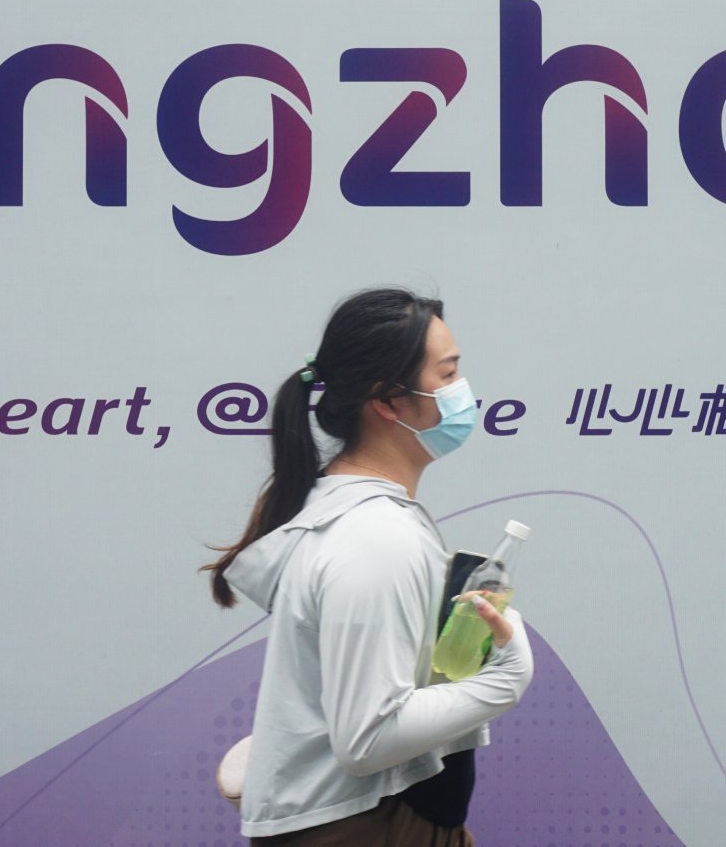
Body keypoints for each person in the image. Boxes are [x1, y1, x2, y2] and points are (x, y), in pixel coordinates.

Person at [201, 287, 535, 845]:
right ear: (388, 402)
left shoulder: (359, 517)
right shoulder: (374, 539)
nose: (462, 393)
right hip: (370, 828)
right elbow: (368, 740)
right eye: (447, 374)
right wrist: (506, 680)